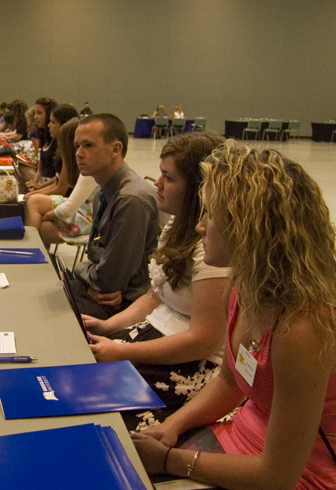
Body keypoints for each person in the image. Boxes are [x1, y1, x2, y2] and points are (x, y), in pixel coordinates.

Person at [131, 141, 336, 489]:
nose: (199, 226)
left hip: (303, 475)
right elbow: (229, 382)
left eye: (210, 214)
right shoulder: (243, 285)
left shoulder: (302, 329)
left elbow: (277, 475)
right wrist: (172, 426)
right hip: (243, 438)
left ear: (248, 228)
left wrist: (170, 459)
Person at [81, 132, 229, 430]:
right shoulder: (176, 225)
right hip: (157, 336)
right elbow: (155, 296)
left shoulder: (210, 250)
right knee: (81, 364)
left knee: (99, 411)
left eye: (168, 178)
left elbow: (203, 341)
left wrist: (122, 351)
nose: (157, 185)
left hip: (194, 363)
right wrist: (108, 326)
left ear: (198, 189)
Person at [69, 114, 159, 319]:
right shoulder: (104, 194)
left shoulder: (130, 199)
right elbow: (97, 258)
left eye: (88, 145)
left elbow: (109, 282)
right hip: (105, 293)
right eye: (77, 146)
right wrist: (90, 273)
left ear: (115, 149)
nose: (79, 154)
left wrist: (80, 268)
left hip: (126, 304)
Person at [25, 117, 98, 245]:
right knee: (36, 208)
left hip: (90, 216)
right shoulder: (79, 163)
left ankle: (29, 251)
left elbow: (67, 206)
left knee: (40, 218)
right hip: (84, 209)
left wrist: (49, 214)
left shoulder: (91, 168)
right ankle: (31, 251)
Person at [24, 104, 79, 197]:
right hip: (58, 192)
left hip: (66, 197)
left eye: (53, 122)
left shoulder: (70, 151)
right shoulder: (61, 146)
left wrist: (33, 194)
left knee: (33, 202)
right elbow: (57, 180)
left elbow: (61, 189)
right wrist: (37, 189)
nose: (49, 125)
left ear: (64, 125)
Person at [26, 96, 58, 191]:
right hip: (43, 184)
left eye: (39, 113)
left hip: (51, 187)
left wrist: (38, 188)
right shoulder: (42, 137)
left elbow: (59, 179)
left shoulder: (57, 140)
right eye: (35, 113)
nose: (35, 117)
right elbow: (40, 170)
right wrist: (33, 184)